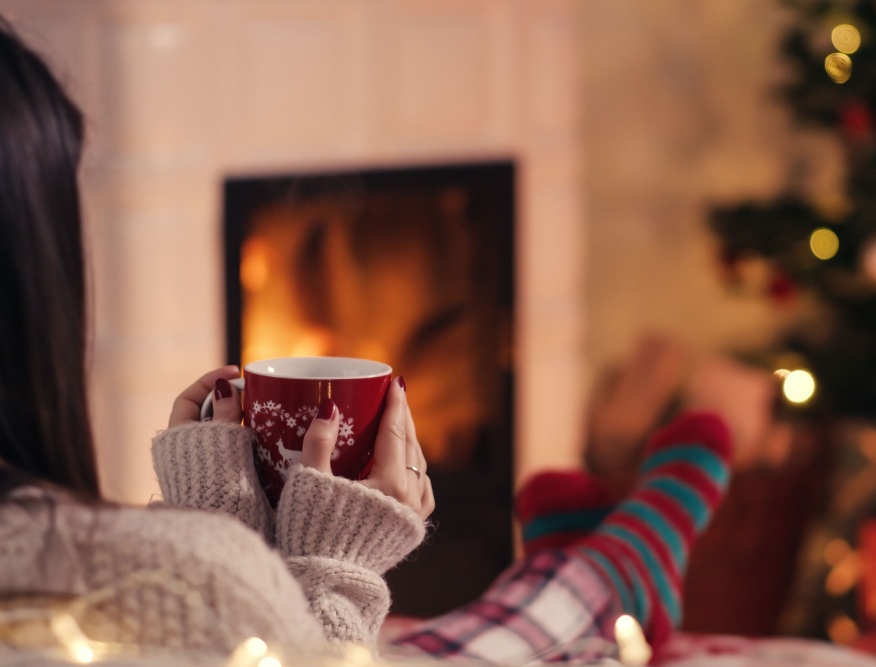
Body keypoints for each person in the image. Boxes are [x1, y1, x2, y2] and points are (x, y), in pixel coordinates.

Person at [0, 16, 734, 665]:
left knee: (448, 639)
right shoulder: (125, 574)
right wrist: (331, 557)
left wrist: (223, 539)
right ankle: (623, 567)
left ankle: (586, 565)